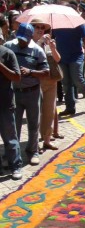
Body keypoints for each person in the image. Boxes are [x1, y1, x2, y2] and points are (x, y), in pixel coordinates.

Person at [4, 23, 49, 165]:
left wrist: (31, 72)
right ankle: (11, 154)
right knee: (13, 126)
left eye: (25, 39)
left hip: (32, 92)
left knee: (33, 124)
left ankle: (32, 150)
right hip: (14, 93)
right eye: (20, 38)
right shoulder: (9, 46)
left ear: (31, 37)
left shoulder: (37, 51)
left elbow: (46, 72)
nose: (22, 41)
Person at [32, 20, 62, 151]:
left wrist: (53, 47)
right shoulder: (30, 43)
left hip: (51, 81)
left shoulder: (49, 42)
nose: (40, 30)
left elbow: (58, 59)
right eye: (37, 27)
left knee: (49, 111)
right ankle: (35, 143)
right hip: (37, 81)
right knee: (36, 112)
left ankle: (47, 140)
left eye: (42, 28)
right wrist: (39, 43)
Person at [54, 18, 85, 117]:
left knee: (77, 79)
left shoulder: (78, 23)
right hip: (61, 57)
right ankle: (70, 108)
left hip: (76, 57)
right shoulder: (56, 24)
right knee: (66, 83)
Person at [0, 30, 23, 180]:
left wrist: (0, 66)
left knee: (10, 137)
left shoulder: (7, 54)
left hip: (5, 102)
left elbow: (16, 77)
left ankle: (15, 166)